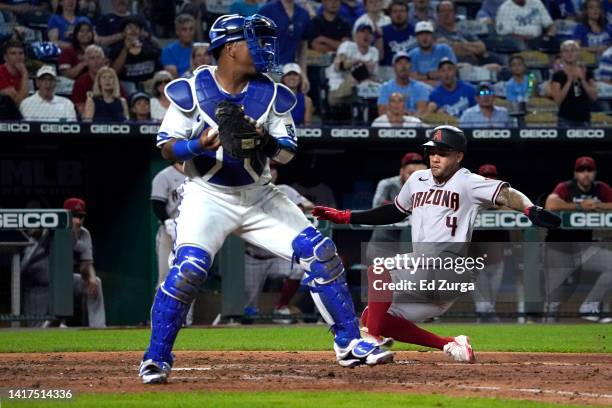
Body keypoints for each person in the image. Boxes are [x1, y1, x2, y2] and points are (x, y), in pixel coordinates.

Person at [138, 14, 392, 385]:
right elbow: (166, 147)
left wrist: (265, 142)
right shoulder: (192, 89)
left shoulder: (272, 93)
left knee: (320, 252)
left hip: (259, 195)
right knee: (189, 270)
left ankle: (350, 343)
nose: (264, 48)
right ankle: (156, 358)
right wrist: (198, 144)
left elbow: (288, 153)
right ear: (229, 48)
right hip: (208, 195)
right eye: (254, 40)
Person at [312, 125, 561, 362]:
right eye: (432, 152)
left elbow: (507, 193)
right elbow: (393, 213)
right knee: (375, 316)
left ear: (459, 157)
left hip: (447, 265)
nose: (435, 158)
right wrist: (346, 216)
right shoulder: (418, 179)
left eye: (443, 153)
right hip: (431, 278)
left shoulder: (467, 181)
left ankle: (370, 340)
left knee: (379, 269)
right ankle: (451, 344)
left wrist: (530, 209)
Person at [543, 156, 612, 323]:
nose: (586, 174)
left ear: (594, 172)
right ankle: (547, 336)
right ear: (576, 173)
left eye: (589, 170)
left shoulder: (600, 188)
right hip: (559, 249)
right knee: (553, 302)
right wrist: (580, 206)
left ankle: (589, 305)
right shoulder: (566, 187)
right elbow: (550, 204)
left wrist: (598, 205)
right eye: (581, 170)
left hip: (585, 249)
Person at [243, 163, 313, 322]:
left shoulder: (284, 190)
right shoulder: (248, 192)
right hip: (253, 257)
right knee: (248, 309)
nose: (270, 172)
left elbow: (310, 206)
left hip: (276, 255)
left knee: (298, 267)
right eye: (266, 169)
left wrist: (296, 208)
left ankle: (281, 307)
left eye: (273, 169)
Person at [21, 198, 106, 328]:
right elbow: (33, 231)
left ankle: (98, 327)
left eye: (81, 217)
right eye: (74, 216)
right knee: (38, 329)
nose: (78, 220)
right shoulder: (50, 227)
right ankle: (57, 325)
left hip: (61, 282)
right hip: (37, 286)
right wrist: (45, 226)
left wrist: (91, 277)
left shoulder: (84, 234)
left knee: (96, 282)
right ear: (64, 215)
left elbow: (86, 265)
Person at [150, 161, 194, 325]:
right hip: (170, 231)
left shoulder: (198, 174)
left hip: (192, 232)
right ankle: (161, 320)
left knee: (191, 277)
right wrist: (167, 221)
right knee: (165, 278)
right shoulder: (164, 176)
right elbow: (157, 203)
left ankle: (186, 320)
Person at [364, 152, 427, 265]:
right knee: (380, 280)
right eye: (410, 173)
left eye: (418, 174)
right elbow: (377, 207)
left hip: (411, 245)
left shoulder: (426, 185)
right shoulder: (387, 184)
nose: (414, 178)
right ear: (401, 172)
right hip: (383, 243)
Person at [470, 164, 509, 323]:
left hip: (496, 256)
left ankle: (488, 316)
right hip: (473, 257)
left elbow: (516, 211)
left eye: (491, 178)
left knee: (491, 299)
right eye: (485, 178)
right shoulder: (471, 193)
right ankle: (485, 315)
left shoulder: (505, 193)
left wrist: (497, 205)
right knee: (483, 303)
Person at [259, 0, 311, 91]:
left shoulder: (303, 14)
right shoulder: (267, 11)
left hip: (291, 69)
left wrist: (303, 73)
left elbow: (303, 47)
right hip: (269, 68)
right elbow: (257, 42)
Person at [327, 23, 379, 108]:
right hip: (338, 90)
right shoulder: (347, 45)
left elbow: (372, 75)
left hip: (362, 90)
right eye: (363, 32)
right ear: (355, 36)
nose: (366, 35)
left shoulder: (374, 51)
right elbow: (339, 65)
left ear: (372, 37)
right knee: (361, 71)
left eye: (369, 33)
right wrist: (358, 61)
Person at [550, 40, 598, 127]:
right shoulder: (558, 75)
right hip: (565, 119)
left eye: (573, 50)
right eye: (566, 51)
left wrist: (583, 80)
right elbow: (557, 100)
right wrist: (569, 81)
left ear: (578, 53)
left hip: (585, 119)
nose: (569, 53)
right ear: (561, 54)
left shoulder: (587, 73)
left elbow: (594, 97)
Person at [110, 16, 161, 92]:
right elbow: (114, 71)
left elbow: (159, 70)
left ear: (140, 32)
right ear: (124, 32)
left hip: (148, 85)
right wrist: (125, 49)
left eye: (136, 27)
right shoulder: (117, 49)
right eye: (129, 28)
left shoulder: (150, 47)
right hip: (126, 86)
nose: (133, 30)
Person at [435, 1, 488, 66]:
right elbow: (450, 51)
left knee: (496, 67)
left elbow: (481, 47)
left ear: (455, 14)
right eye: (443, 11)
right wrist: (471, 50)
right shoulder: (435, 32)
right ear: (437, 14)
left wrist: (460, 46)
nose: (446, 14)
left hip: (474, 67)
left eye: (450, 11)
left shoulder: (463, 31)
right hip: (451, 68)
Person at [377, 52, 429, 116]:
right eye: (399, 63)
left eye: (406, 63)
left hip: (414, 123)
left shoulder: (419, 87)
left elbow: (422, 111)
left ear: (411, 66)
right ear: (394, 66)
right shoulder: (386, 87)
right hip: (392, 123)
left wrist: (408, 118)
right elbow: (382, 111)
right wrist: (401, 116)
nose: (403, 66)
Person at [408, 21, 457, 87]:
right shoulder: (412, 54)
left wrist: (423, 77)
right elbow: (413, 78)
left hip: (446, 88)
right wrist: (430, 75)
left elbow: (452, 72)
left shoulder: (444, 49)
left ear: (433, 36)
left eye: (427, 34)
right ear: (416, 37)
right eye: (421, 34)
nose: (424, 37)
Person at [379, 0, 416, 80]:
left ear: (407, 13)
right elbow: (379, 58)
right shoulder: (382, 32)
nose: (398, 14)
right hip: (389, 72)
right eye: (395, 11)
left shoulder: (416, 31)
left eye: (402, 11)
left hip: (412, 70)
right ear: (390, 15)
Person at [71, 44, 107, 115]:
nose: (96, 62)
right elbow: (81, 108)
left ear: (103, 61)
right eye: (92, 58)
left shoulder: (112, 79)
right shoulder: (80, 82)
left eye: (98, 57)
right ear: (86, 62)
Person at [161, 14, 195, 78]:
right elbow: (173, 77)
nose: (188, 32)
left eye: (191, 29)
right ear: (177, 31)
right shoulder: (168, 51)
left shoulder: (200, 49)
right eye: (184, 29)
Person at [0, 39, 28, 106]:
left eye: (21, 53)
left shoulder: (21, 72)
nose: (18, 57)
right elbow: (18, 103)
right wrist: (25, 74)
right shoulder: (1, 72)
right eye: (13, 53)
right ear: (5, 57)